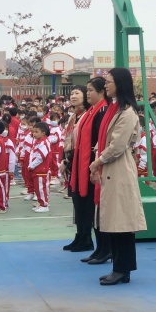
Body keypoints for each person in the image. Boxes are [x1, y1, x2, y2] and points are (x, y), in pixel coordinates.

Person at [89, 68, 147, 286]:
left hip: (119, 169)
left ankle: (122, 268)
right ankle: (119, 267)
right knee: (115, 221)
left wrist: (97, 161)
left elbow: (117, 145)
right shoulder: (114, 109)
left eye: (109, 82)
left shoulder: (127, 112)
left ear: (120, 84)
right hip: (111, 169)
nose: (106, 85)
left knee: (121, 222)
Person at [65, 82, 107, 256]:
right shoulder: (78, 115)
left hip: (89, 160)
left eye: (79, 93)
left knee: (88, 202)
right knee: (78, 200)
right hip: (77, 160)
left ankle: (91, 240)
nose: (73, 96)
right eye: (72, 93)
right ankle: (81, 235)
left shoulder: (98, 111)